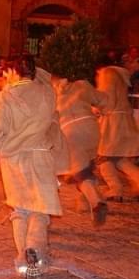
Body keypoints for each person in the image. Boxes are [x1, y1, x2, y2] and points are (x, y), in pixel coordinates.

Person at [0, 56, 66, 279]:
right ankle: (35, 249)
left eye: (5, 72)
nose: (3, 77)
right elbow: (46, 78)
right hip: (42, 156)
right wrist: (31, 68)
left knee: (20, 210)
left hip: (15, 160)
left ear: (12, 72)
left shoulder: (1, 99)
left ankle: (23, 262)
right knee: (40, 209)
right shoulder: (47, 92)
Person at [45, 70, 108, 225]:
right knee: (88, 165)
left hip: (70, 133)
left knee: (80, 172)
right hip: (91, 128)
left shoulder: (49, 96)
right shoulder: (82, 85)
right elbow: (104, 100)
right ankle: (83, 203)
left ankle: (96, 202)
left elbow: (48, 121)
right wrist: (97, 109)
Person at [95, 66, 139, 201]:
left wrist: (97, 108)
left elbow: (107, 99)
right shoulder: (120, 75)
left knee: (103, 157)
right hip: (124, 120)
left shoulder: (107, 74)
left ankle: (115, 188)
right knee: (118, 158)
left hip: (113, 123)